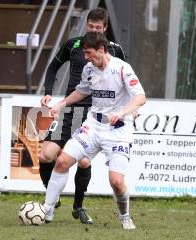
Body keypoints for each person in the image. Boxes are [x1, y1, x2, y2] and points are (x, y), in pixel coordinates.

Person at [43, 31, 146, 230]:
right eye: (84, 54)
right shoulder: (89, 69)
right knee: (62, 161)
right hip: (93, 125)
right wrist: (62, 104)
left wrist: (124, 112)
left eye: (89, 53)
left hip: (118, 129)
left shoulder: (122, 69)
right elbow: (82, 90)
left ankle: (125, 216)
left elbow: (140, 97)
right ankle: (47, 210)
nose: (86, 58)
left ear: (102, 49)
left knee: (116, 182)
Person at [39, 7, 125, 224]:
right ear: (86, 25)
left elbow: (126, 82)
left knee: (84, 162)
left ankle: (78, 207)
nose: (94, 30)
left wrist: (127, 109)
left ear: (105, 29)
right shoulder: (73, 44)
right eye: (91, 26)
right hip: (70, 109)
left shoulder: (114, 51)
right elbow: (53, 67)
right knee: (46, 156)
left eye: (98, 28)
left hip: (95, 114)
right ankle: (53, 196)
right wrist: (49, 92)